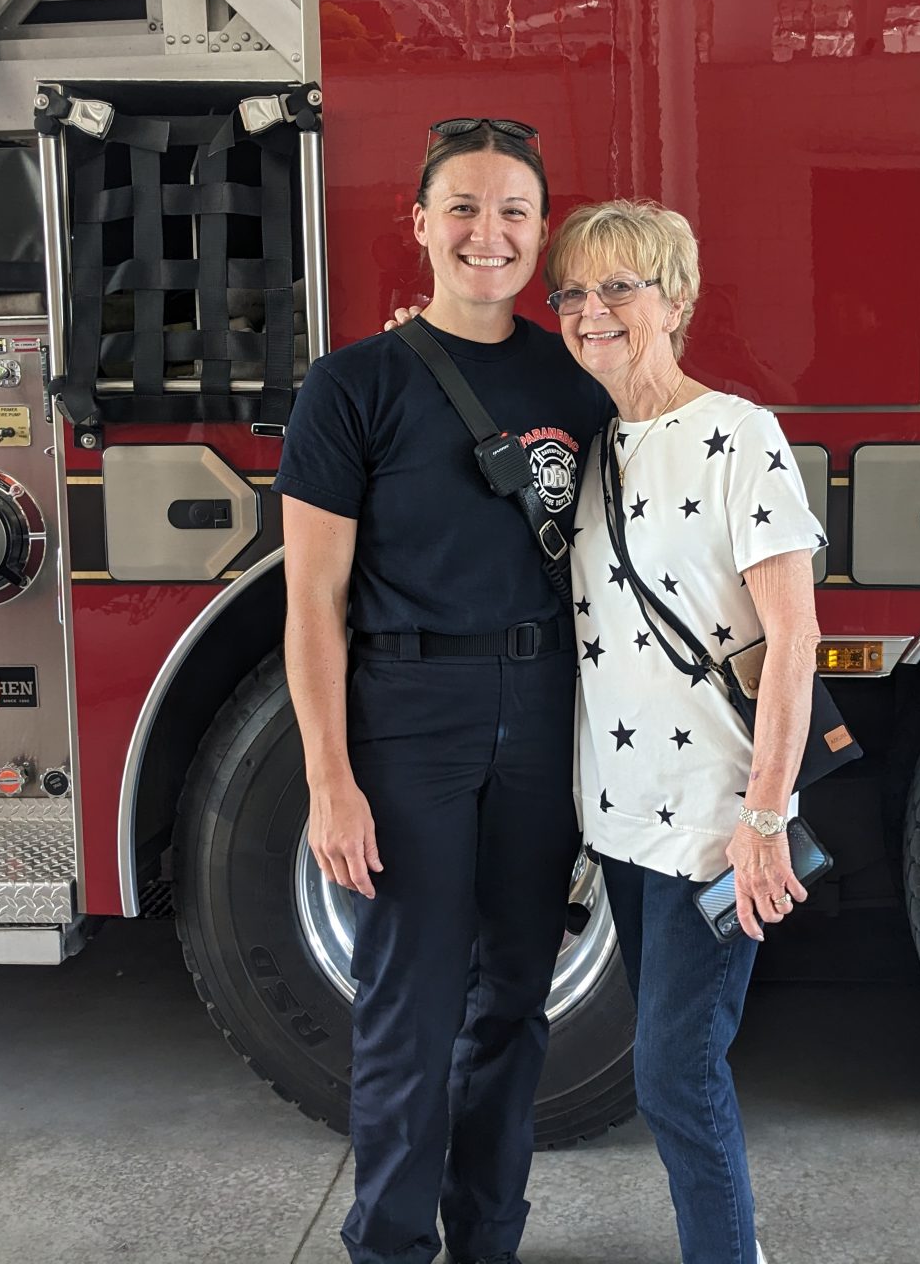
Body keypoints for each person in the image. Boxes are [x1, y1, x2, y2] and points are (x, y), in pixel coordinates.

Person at [275, 118, 612, 1264]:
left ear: (542, 232)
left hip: (545, 712)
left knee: (516, 999)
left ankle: (488, 1242)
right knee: (408, 1008)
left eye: (513, 210)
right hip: (409, 720)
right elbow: (313, 601)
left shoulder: (581, 378)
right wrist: (330, 779)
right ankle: (388, 1248)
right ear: (419, 225)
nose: (488, 232)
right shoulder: (352, 385)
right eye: (462, 208)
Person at [553, 199, 824, 1264]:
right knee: (671, 1061)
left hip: (717, 826)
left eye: (621, 286)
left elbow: (793, 644)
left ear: (676, 298)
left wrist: (764, 817)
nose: (594, 310)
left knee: (674, 1073)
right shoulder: (587, 448)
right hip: (619, 822)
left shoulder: (739, 436)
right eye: (573, 291)